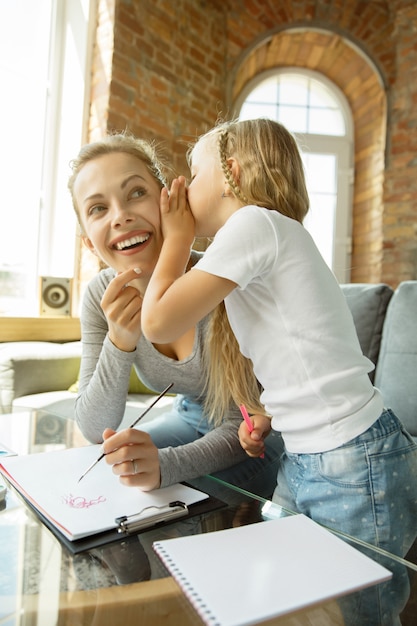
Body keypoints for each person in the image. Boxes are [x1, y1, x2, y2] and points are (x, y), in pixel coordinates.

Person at [140, 118, 417, 625]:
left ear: (232, 174)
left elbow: (158, 319)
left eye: (194, 173)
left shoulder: (255, 224)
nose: (182, 187)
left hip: (354, 463)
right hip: (315, 457)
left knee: (358, 615)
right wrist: (271, 414)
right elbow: (302, 351)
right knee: (296, 599)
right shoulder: (264, 238)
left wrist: (176, 236)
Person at [67, 131, 283, 499]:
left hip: (259, 434)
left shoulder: (220, 280)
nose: (121, 216)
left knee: (170, 495)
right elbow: (94, 426)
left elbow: (243, 421)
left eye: (136, 193)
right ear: (89, 240)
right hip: (189, 417)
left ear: (168, 200)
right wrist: (119, 341)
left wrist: (165, 466)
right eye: (98, 208)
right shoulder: (99, 296)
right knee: (105, 476)